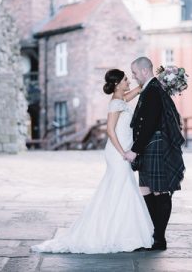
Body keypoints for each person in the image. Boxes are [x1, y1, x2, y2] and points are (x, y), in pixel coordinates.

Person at [31, 69, 153, 254]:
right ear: (118, 83)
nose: (129, 81)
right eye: (126, 79)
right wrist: (124, 153)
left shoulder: (122, 99)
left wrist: (151, 78)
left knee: (120, 189)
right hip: (117, 153)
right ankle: (114, 233)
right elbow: (110, 131)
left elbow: (136, 91)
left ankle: (121, 231)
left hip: (122, 153)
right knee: (121, 188)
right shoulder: (115, 104)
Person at [124, 57, 185, 251]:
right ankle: (155, 234)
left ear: (144, 71)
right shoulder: (152, 88)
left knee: (160, 190)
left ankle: (159, 238)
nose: (133, 77)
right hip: (151, 146)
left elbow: (149, 124)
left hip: (155, 145)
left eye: (134, 73)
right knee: (147, 190)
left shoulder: (153, 90)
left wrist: (135, 150)